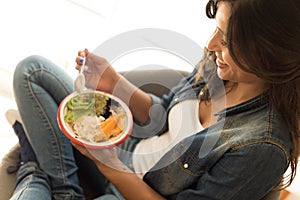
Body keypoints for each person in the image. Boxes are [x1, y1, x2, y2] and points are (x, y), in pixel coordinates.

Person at [6, 0, 300, 199]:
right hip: (130, 146)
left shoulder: (263, 147)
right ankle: (65, 188)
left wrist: (110, 167)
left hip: (135, 190)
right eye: (217, 30)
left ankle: (35, 171)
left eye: (227, 39)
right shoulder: (218, 63)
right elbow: (162, 117)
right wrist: (114, 82)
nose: (211, 44)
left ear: (269, 52)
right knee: (33, 70)